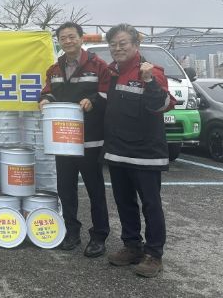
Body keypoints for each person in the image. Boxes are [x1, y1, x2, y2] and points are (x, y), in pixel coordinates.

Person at [103, 23, 175, 278]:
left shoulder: (151, 71)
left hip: (146, 154)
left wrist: (149, 81)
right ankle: (132, 246)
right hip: (118, 151)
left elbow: (162, 105)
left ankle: (154, 254)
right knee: (124, 202)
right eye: (113, 44)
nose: (117, 48)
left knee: (151, 205)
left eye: (123, 43)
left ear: (136, 45)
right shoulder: (111, 72)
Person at [39, 22, 110, 257]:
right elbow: (48, 91)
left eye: (72, 37)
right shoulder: (54, 69)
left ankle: (99, 236)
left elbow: (107, 93)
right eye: (63, 38)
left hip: (89, 139)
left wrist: (93, 101)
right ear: (59, 41)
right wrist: (45, 100)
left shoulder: (98, 65)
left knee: (95, 189)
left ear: (81, 38)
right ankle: (71, 231)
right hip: (63, 140)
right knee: (65, 189)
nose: (68, 41)